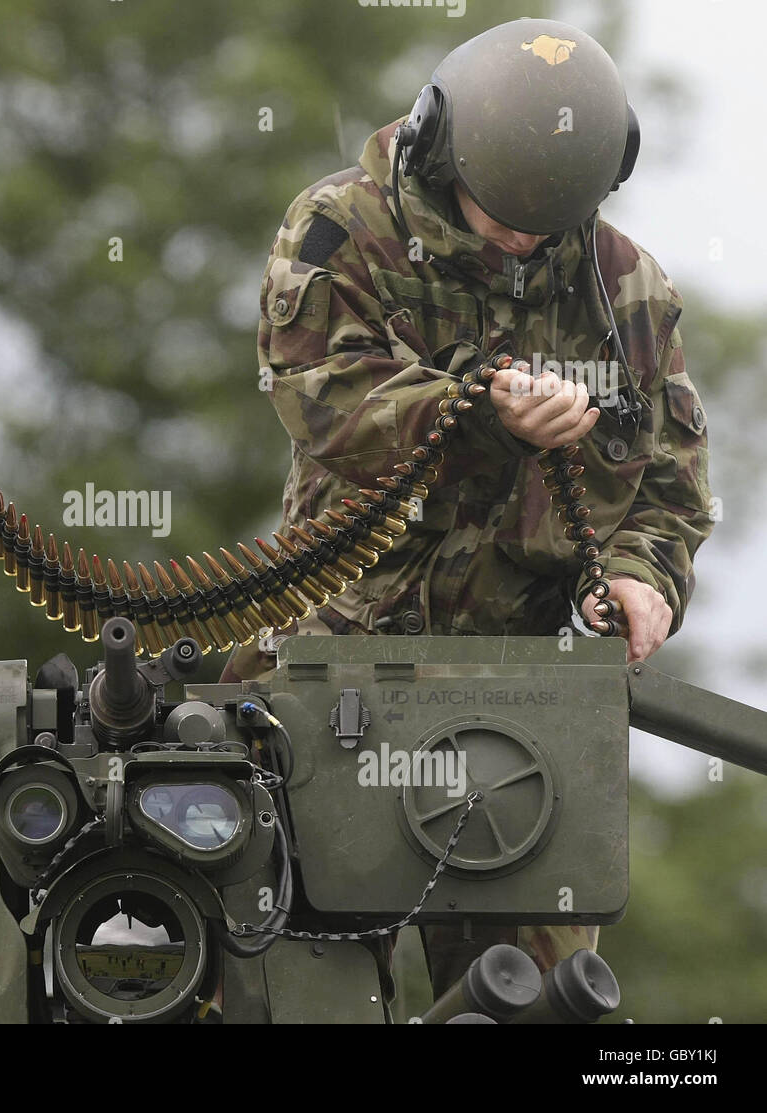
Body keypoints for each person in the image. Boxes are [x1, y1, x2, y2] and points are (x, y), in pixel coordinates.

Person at [222, 18, 713, 999]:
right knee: (302, 977)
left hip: (527, 690)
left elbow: (668, 489)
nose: (524, 239)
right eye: (502, 213)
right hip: (343, 665)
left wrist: (640, 581)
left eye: (548, 218)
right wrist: (477, 407)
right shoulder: (343, 232)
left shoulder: (626, 287)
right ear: (440, 154)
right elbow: (316, 393)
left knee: (544, 995)